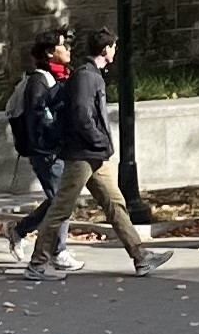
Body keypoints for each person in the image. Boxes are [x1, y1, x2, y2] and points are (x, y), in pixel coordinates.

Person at [24, 27, 176, 281]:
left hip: (93, 154)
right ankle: (37, 264)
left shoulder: (90, 75)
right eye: (114, 47)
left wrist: (101, 146)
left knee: (115, 204)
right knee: (61, 208)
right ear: (106, 49)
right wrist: (99, 140)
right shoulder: (86, 77)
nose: (115, 52)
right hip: (82, 154)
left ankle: (141, 258)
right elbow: (83, 116)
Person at [4, 27, 72, 264]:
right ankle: (58, 251)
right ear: (51, 52)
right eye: (64, 45)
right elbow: (38, 121)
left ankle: (20, 230)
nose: (69, 49)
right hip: (45, 152)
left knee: (60, 198)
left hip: (57, 149)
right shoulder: (39, 82)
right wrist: (47, 147)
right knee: (62, 199)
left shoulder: (60, 76)